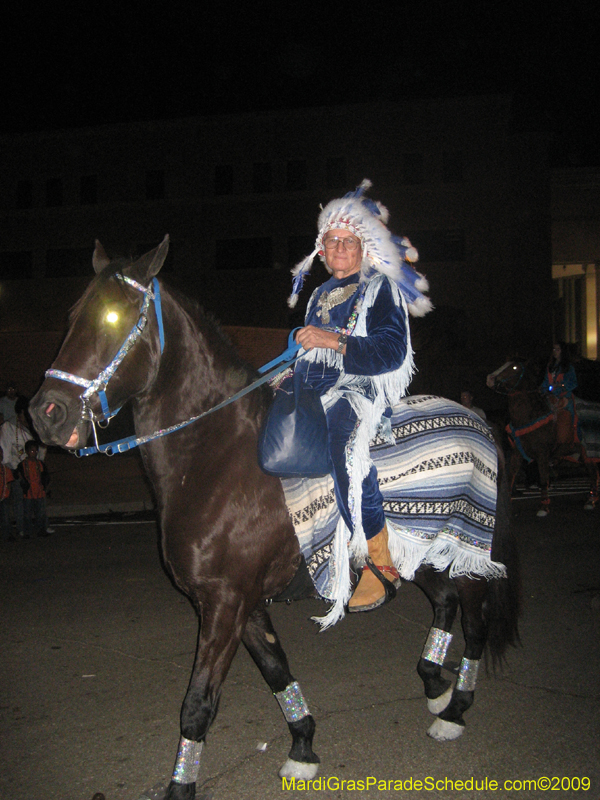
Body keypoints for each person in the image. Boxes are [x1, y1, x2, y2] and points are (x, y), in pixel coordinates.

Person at [282, 179, 432, 612]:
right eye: (332, 242)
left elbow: (391, 350)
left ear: (363, 247)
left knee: (341, 441)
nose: (340, 248)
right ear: (322, 251)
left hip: (360, 388)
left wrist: (333, 342)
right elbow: (309, 349)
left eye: (348, 241)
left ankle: (378, 560)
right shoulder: (318, 294)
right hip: (313, 386)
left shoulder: (379, 288)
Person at [540, 342, 579, 444]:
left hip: (564, 398)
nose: (555, 352)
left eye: (557, 350)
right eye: (553, 349)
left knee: (568, 416)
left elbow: (573, 383)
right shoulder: (550, 366)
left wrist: (561, 386)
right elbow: (545, 381)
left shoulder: (568, 367)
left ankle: (571, 441)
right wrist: (543, 390)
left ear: (563, 352)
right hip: (550, 397)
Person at [17, 441, 52, 538]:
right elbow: (18, 476)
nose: (34, 453)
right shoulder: (23, 465)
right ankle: (27, 532)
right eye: (32, 450)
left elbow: (46, 477)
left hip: (40, 492)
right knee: (27, 514)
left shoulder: (40, 464)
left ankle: (40, 530)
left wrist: (46, 488)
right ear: (27, 451)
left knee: (40, 514)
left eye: (36, 451)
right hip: (28, 493)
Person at [0, 445, 15, 542]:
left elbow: (9, 482)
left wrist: (7, 494)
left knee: (5, 517)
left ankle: (7, 535)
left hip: (3, 497)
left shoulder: (5, 469)